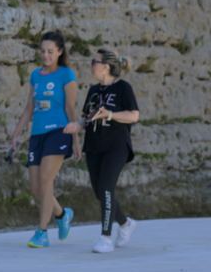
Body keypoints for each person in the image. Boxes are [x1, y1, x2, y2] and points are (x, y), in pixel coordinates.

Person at [9, 29, 81, 248]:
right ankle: (62, 215)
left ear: (59, 52)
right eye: (43, 51)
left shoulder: (66, 75)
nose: (46, 55)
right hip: (37, 134)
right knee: (37, 189)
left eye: (51, 51)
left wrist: (76, 140)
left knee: (46, 180)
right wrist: (16, 134)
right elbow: (29, 108)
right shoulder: (35, 75)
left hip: (59, 131)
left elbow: (70, 108)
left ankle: (42, 232)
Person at [81, 47, 140, 253]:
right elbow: (86, 118)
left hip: (116, 146)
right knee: (100, 192)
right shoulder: (93, 91)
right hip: (94, 146)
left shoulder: (123, 88)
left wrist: (110, 114)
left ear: (106, 67)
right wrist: (75, 126)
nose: (91, 65)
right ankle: (125, 223)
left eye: (94, 62)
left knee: (106, 188)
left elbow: (134, 116)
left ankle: (105, 238)